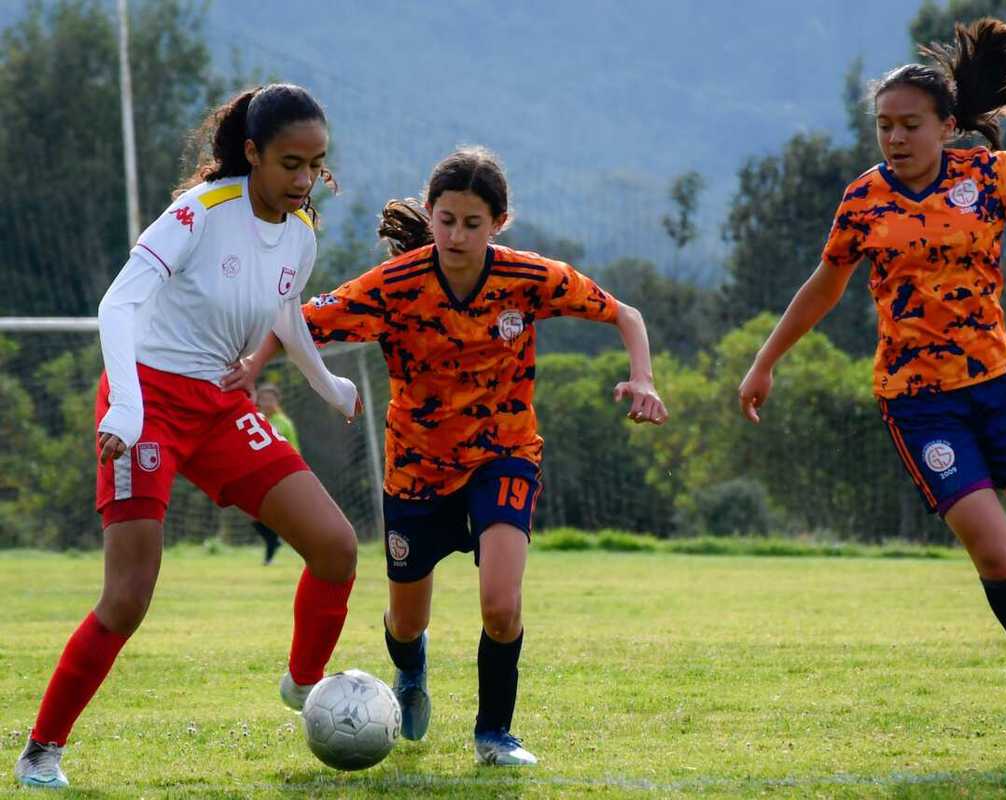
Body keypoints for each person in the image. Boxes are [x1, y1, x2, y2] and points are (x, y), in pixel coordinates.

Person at [737, 19, 1006, 764]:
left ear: (948, 126)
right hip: (920, 403)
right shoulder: (863, 201)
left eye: (910, 124)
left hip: (1000, 390)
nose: (895, 138)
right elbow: (825, 285)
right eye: (884, 126)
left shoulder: (991, 176)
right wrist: (766, 359)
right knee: (994, 552)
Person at [231, 146, 668, 766]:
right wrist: (250, 367)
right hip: (416, 468)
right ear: (430, 214)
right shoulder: (395, 286)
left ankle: (494, 735)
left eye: (472, 223)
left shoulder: (528, 279)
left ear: (499, 223)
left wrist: (643, 378)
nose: (456, 234)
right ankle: (411, 676)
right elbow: (296, 324)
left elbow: (626, 315)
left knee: (501, 603)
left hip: (506, 457)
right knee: (406, 624)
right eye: (445, 220)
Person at [14, 84, 362, 790]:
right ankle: (42, 751)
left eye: (315, 165)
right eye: (290, 163)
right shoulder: (199, 213)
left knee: (335, 547)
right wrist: (127, 408)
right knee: (129, 596)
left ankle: (303, 685)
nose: (302, 180)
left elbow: (285, 311)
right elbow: (119, 303)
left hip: (218, 405)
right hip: (144, 400)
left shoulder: (301, 233)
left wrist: (328, 385)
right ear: (253, 153)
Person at [252, 382, 302, 564]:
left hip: (279, 475)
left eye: (270, 399)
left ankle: (278, 546)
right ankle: (275, 539)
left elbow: (294, 449)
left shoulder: (284, 423)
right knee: (253, 516)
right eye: (263, 398)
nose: (266, 402)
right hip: (257, 474)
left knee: (276, 513)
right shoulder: (254, 419)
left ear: (277, 401)